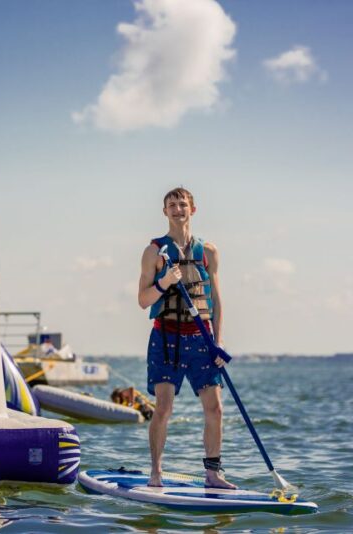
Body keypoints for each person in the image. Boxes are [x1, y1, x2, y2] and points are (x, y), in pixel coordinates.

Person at [137, 187, 236, 489]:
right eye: (171, 205)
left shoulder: (208, 252)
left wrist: (218, 342)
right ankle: (156, 472)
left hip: (201, 340)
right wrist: (165, 282)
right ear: (165, 212)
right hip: (166, 339)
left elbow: (217, 301)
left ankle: (213, 473)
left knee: (215, 408)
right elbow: (143, 300)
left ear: (192, 209)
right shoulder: (154, 252)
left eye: (182, 204)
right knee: (164, 407)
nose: (177, 209)